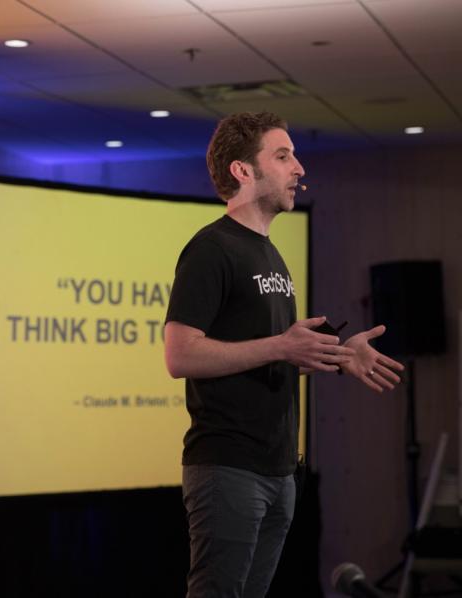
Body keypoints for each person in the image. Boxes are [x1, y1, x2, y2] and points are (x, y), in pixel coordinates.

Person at [164, 111, 404, 598]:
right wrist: (282, 344)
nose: (299, 168)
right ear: (242, 171)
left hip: (278, 470)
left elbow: (276, 350)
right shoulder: (212, 249)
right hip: (228, 467)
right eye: (282, 155)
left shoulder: (270, 253)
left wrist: (338, 354)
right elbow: (180, 356)